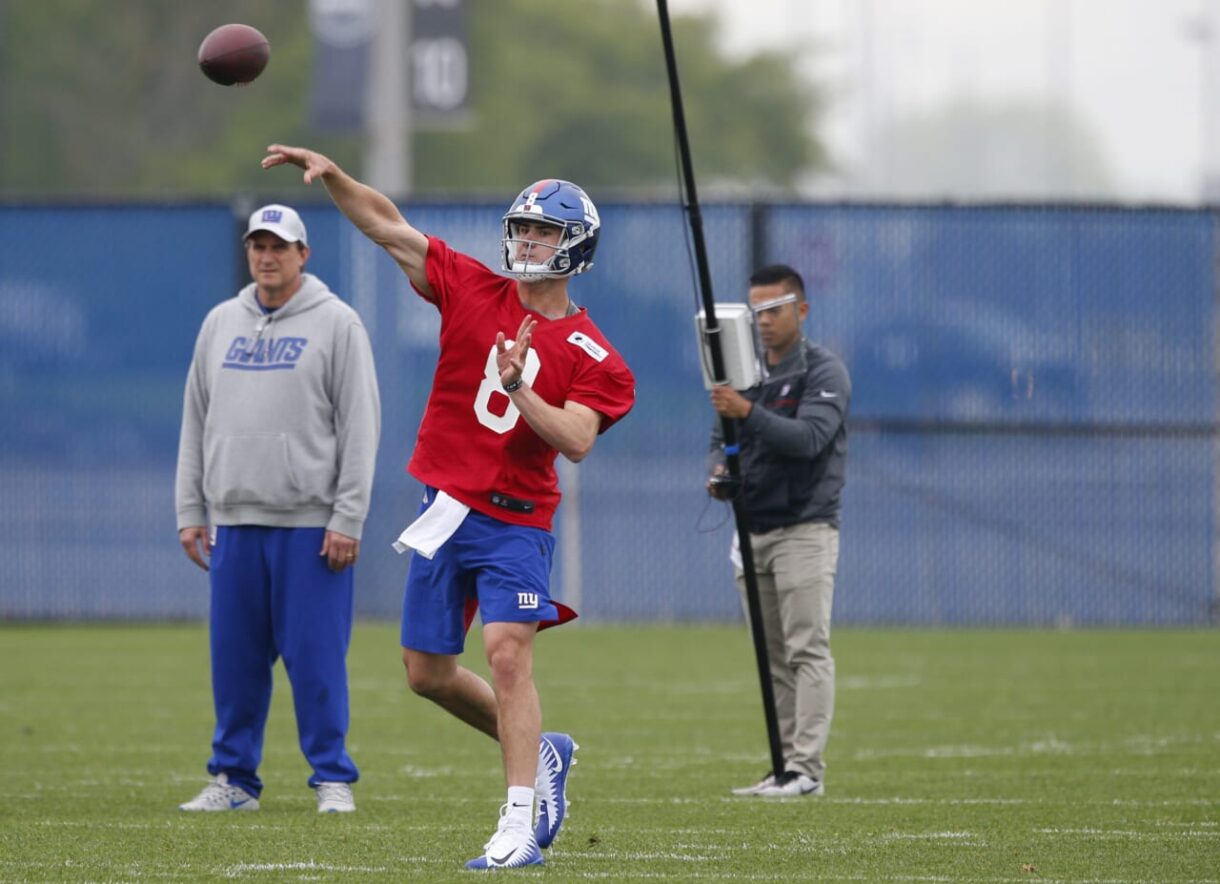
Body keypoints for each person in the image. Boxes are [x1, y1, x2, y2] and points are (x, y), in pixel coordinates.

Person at [260, 144, 635, 869]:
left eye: (545, 232)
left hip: (515, 520)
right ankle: (542, 755)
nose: (528, 242)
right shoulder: (471, 287)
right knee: (425, 673)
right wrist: (335, 177)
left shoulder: (595, 353)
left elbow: (579, 440)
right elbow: (387, 225)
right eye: (522, 229)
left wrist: (523, 386)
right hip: (444, 509)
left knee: (505, 653)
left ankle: (519, 824)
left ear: (577, 245)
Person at [175, 204, 381, 814]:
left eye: (279, 246)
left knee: (316, 663)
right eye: (257, 245)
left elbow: (361, 427)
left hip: (310, 527)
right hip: (234, 523)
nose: (267, 256)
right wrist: (191, 507)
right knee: (234, 664)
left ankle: (331, 779)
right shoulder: (219, 323)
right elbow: (195, 418)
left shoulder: (338, 324)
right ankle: (234, 781)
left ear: (303, 254)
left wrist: (348, 517)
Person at [706, 264, 850, 798]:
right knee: (771, 659)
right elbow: (720, 437)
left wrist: (746, 410)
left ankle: (807, 767)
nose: (763, 322)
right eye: (756, 312)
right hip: (752, 529)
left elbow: (809, 438)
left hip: (805, 529)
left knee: (806, 647)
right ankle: (785, 765)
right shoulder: (742, 372)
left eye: (774, 310)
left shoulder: (824, 371)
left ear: (801, 310)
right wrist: (720, 469)